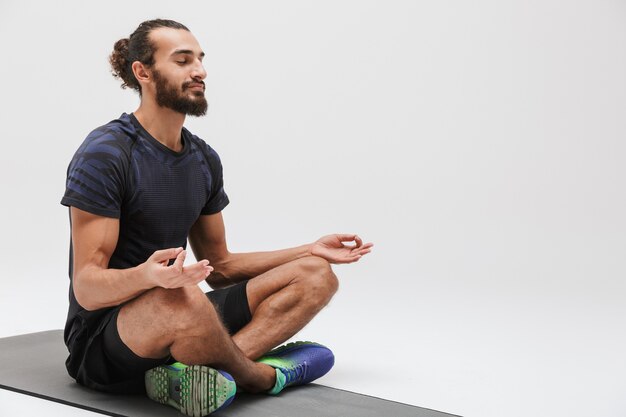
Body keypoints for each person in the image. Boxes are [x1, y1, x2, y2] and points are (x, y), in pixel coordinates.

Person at [61, 18, 373, 416]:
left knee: (315, 274)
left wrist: (309, 249)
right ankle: (258, 377)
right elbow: (86, 287)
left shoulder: (203, 159)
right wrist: (148, 276)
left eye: (201, 60)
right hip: (106, 343)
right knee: (183, 296)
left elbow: (221, 266)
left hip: (182, 309)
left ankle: (201, 375)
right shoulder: (106, 154)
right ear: (143, 72)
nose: (200, 71)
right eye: (183, 60)